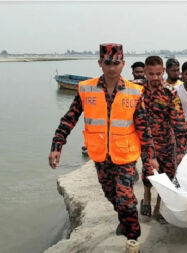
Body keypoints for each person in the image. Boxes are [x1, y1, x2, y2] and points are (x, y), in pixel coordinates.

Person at [48, 43, 158, 250]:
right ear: (100, 63)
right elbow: (69, 119)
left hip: (125, 155)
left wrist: (150, 157)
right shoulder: (86, 89)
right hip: (100, 155)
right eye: (107, 63)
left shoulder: (135, 92)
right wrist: (57, 145)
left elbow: (144, 127)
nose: (112, 67)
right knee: (111, 195)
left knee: (126, 199)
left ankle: (133, 240)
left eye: (116, 63)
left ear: (123, 64)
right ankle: (124, 220)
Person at [139, 56, 187, 224]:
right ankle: (146, 195)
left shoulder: (170, 93)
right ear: (145, 72)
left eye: (158, 74)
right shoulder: (137, 90)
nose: (155, 78)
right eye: (151, 74)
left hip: (166, 143)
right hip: (146, 144)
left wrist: (181, 151)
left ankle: (159, 207)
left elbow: (179, 124)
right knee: (147, 173)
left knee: (166, 177)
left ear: (163, 72)